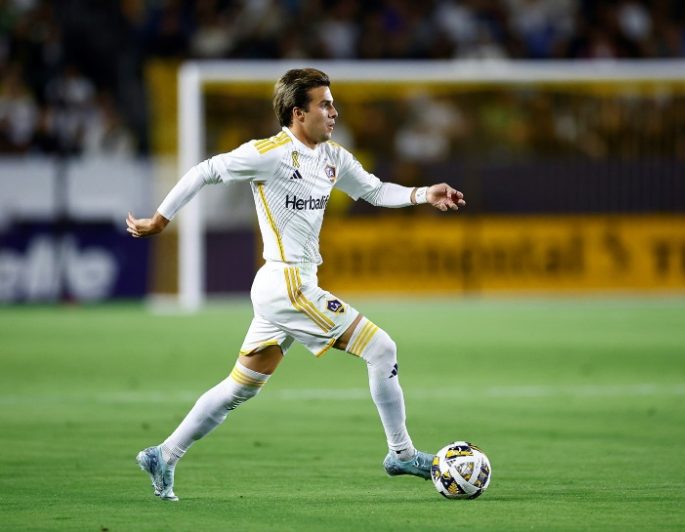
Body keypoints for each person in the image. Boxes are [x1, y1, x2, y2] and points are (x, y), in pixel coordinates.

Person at [127, 68, 466, 501]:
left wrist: (424, 194)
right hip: (286, 283)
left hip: (288, 285)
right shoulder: (267, 154)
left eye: (333, 103)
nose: (334, 112)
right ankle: (400, 453)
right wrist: (160, 218)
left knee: (238, 388)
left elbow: (376, 191)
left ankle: (164, 453)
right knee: (382, 349)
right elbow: (205, 171)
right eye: (324, 104)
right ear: (297, 112)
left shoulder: (332, 158)